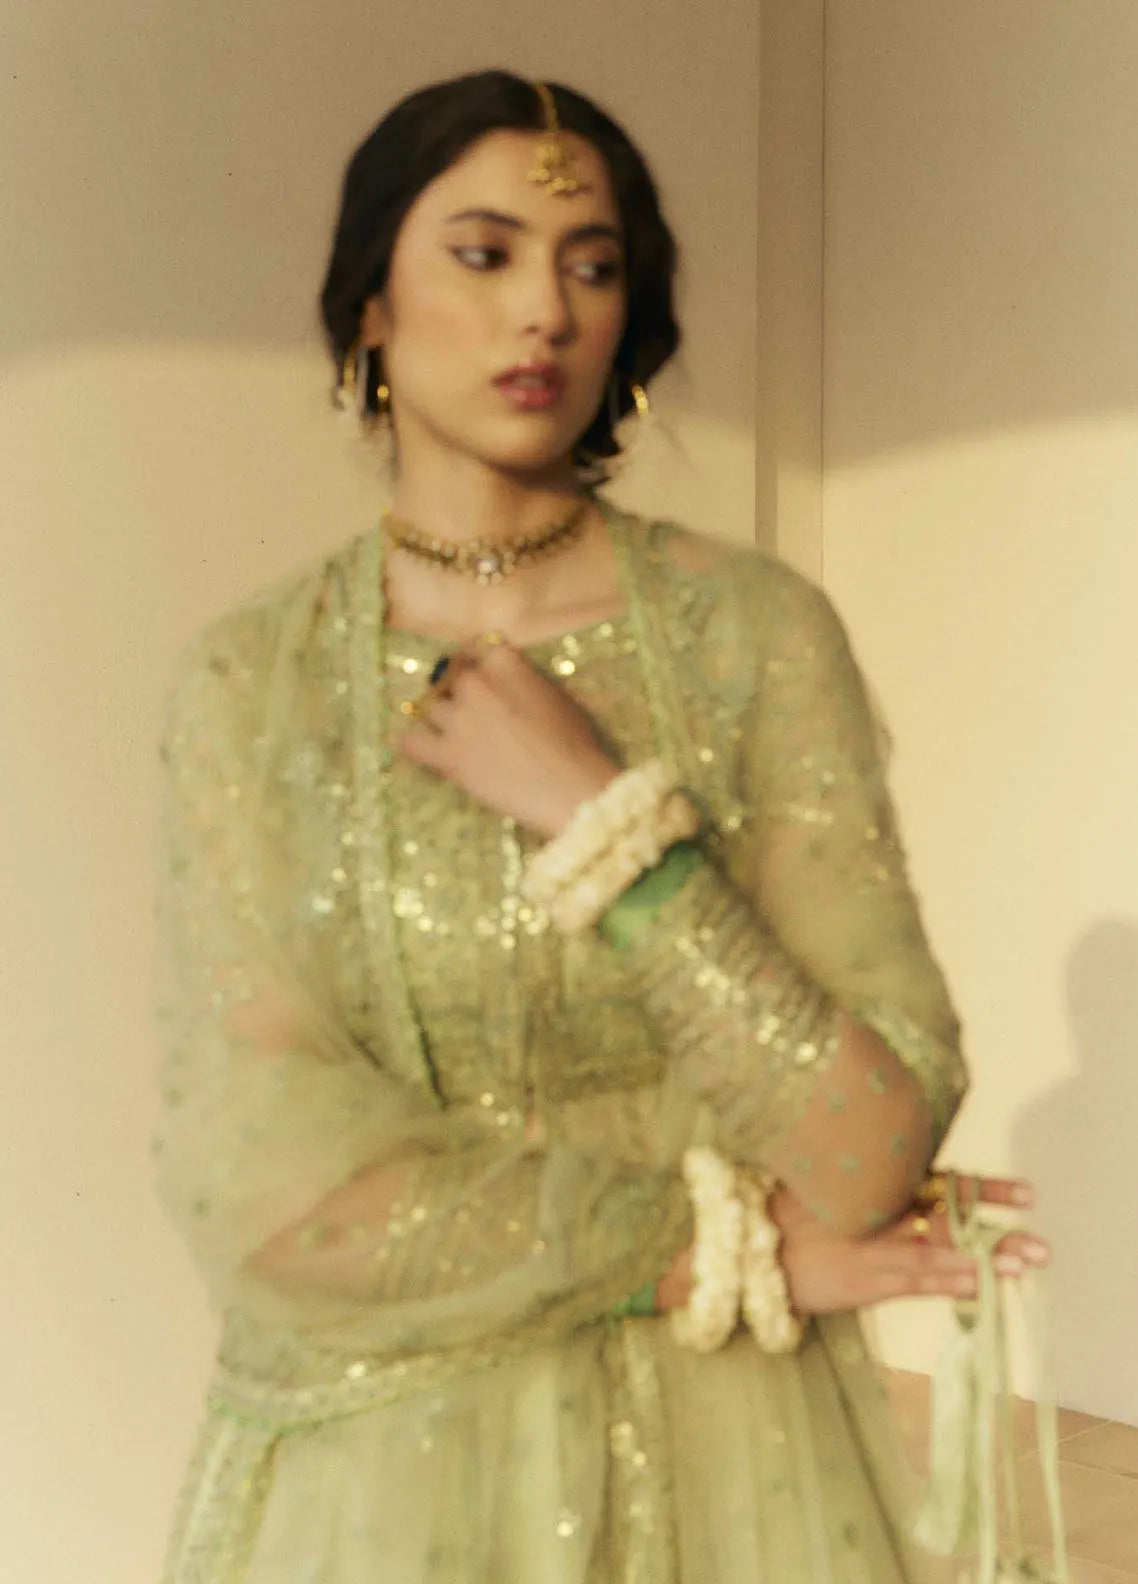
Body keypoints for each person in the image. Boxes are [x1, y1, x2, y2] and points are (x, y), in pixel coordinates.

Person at [152, 69, 1050, 1583]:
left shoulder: (751, 635)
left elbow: (870, 1149)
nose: (544, 313)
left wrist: (617, 837)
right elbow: (256, 1179)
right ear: (370, 303)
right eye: (483, 254)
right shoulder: (257, 685)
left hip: (730, 1451)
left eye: (592, 265)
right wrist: (696, 1245)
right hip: (390, 1457)